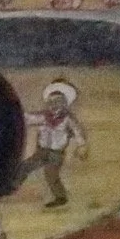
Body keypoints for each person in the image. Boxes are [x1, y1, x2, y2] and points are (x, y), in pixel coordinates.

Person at [29, 79, 88, 210]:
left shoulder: (68, 119)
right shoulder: (44, 117)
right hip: (42, 151)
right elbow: (29, 118)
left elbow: (78, 132)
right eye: (51, 102)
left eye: (58, 101)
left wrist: (82, 146)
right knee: (26, 166)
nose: (54, 104)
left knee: (51, 173)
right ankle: (10, 186)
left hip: (56, 153)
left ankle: (60, 197)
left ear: (65, 104)